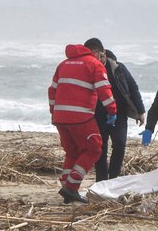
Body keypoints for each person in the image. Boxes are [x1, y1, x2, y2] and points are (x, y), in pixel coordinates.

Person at [48, 41, 117, 204]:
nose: (102, 58)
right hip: (81, 117)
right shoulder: (94, 64)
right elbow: (104, 90)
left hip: (60, 116)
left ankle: (66, 185)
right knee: (94, 148)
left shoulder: (63, 64)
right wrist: (113, 111)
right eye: (101, 55)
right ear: (96, 52)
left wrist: (54, 111)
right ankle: (72, 186)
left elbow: (52, 90)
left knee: (72, 152)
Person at [89, 40, 146, 182]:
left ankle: (113, 178)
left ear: (104, 53)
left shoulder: (118, 68)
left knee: (120, 145)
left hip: (119, 114)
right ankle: (101, 181)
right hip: (97, 115)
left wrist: (140, 111)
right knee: (100, 149)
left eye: (99, 56)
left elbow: (133, 87)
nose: (98, 60)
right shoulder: (88, 69)